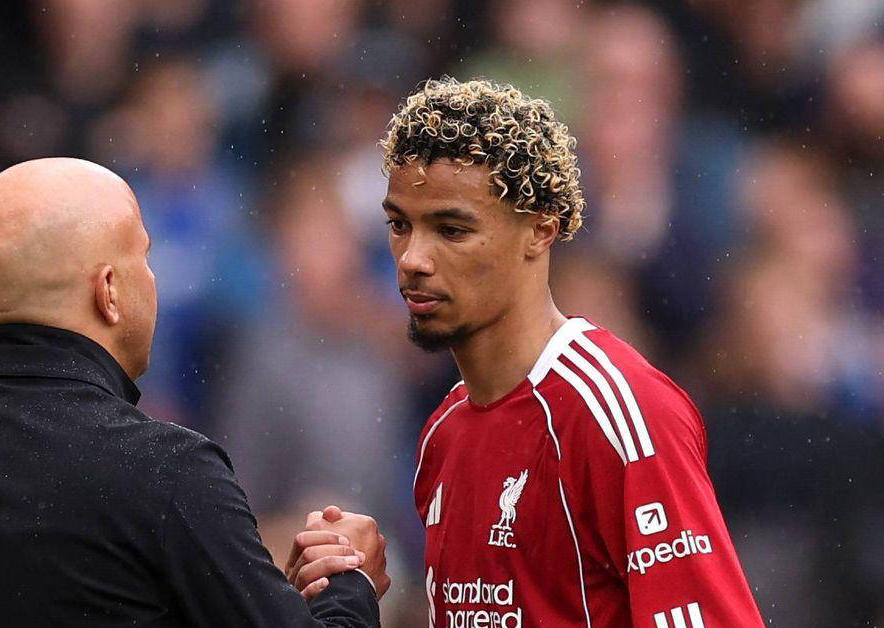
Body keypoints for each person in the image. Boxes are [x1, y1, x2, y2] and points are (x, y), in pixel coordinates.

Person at [0, 158, 388, 627]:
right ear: (109, 291)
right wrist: (348, 584)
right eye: (144, 259)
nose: (153, 282)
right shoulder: (167, 477)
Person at [288, 79, 763, 627]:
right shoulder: (442, 435)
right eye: (400, 225)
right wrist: (351, 593)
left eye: (451, 230)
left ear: (540, 230)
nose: (413, 258)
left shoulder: (620, 413)